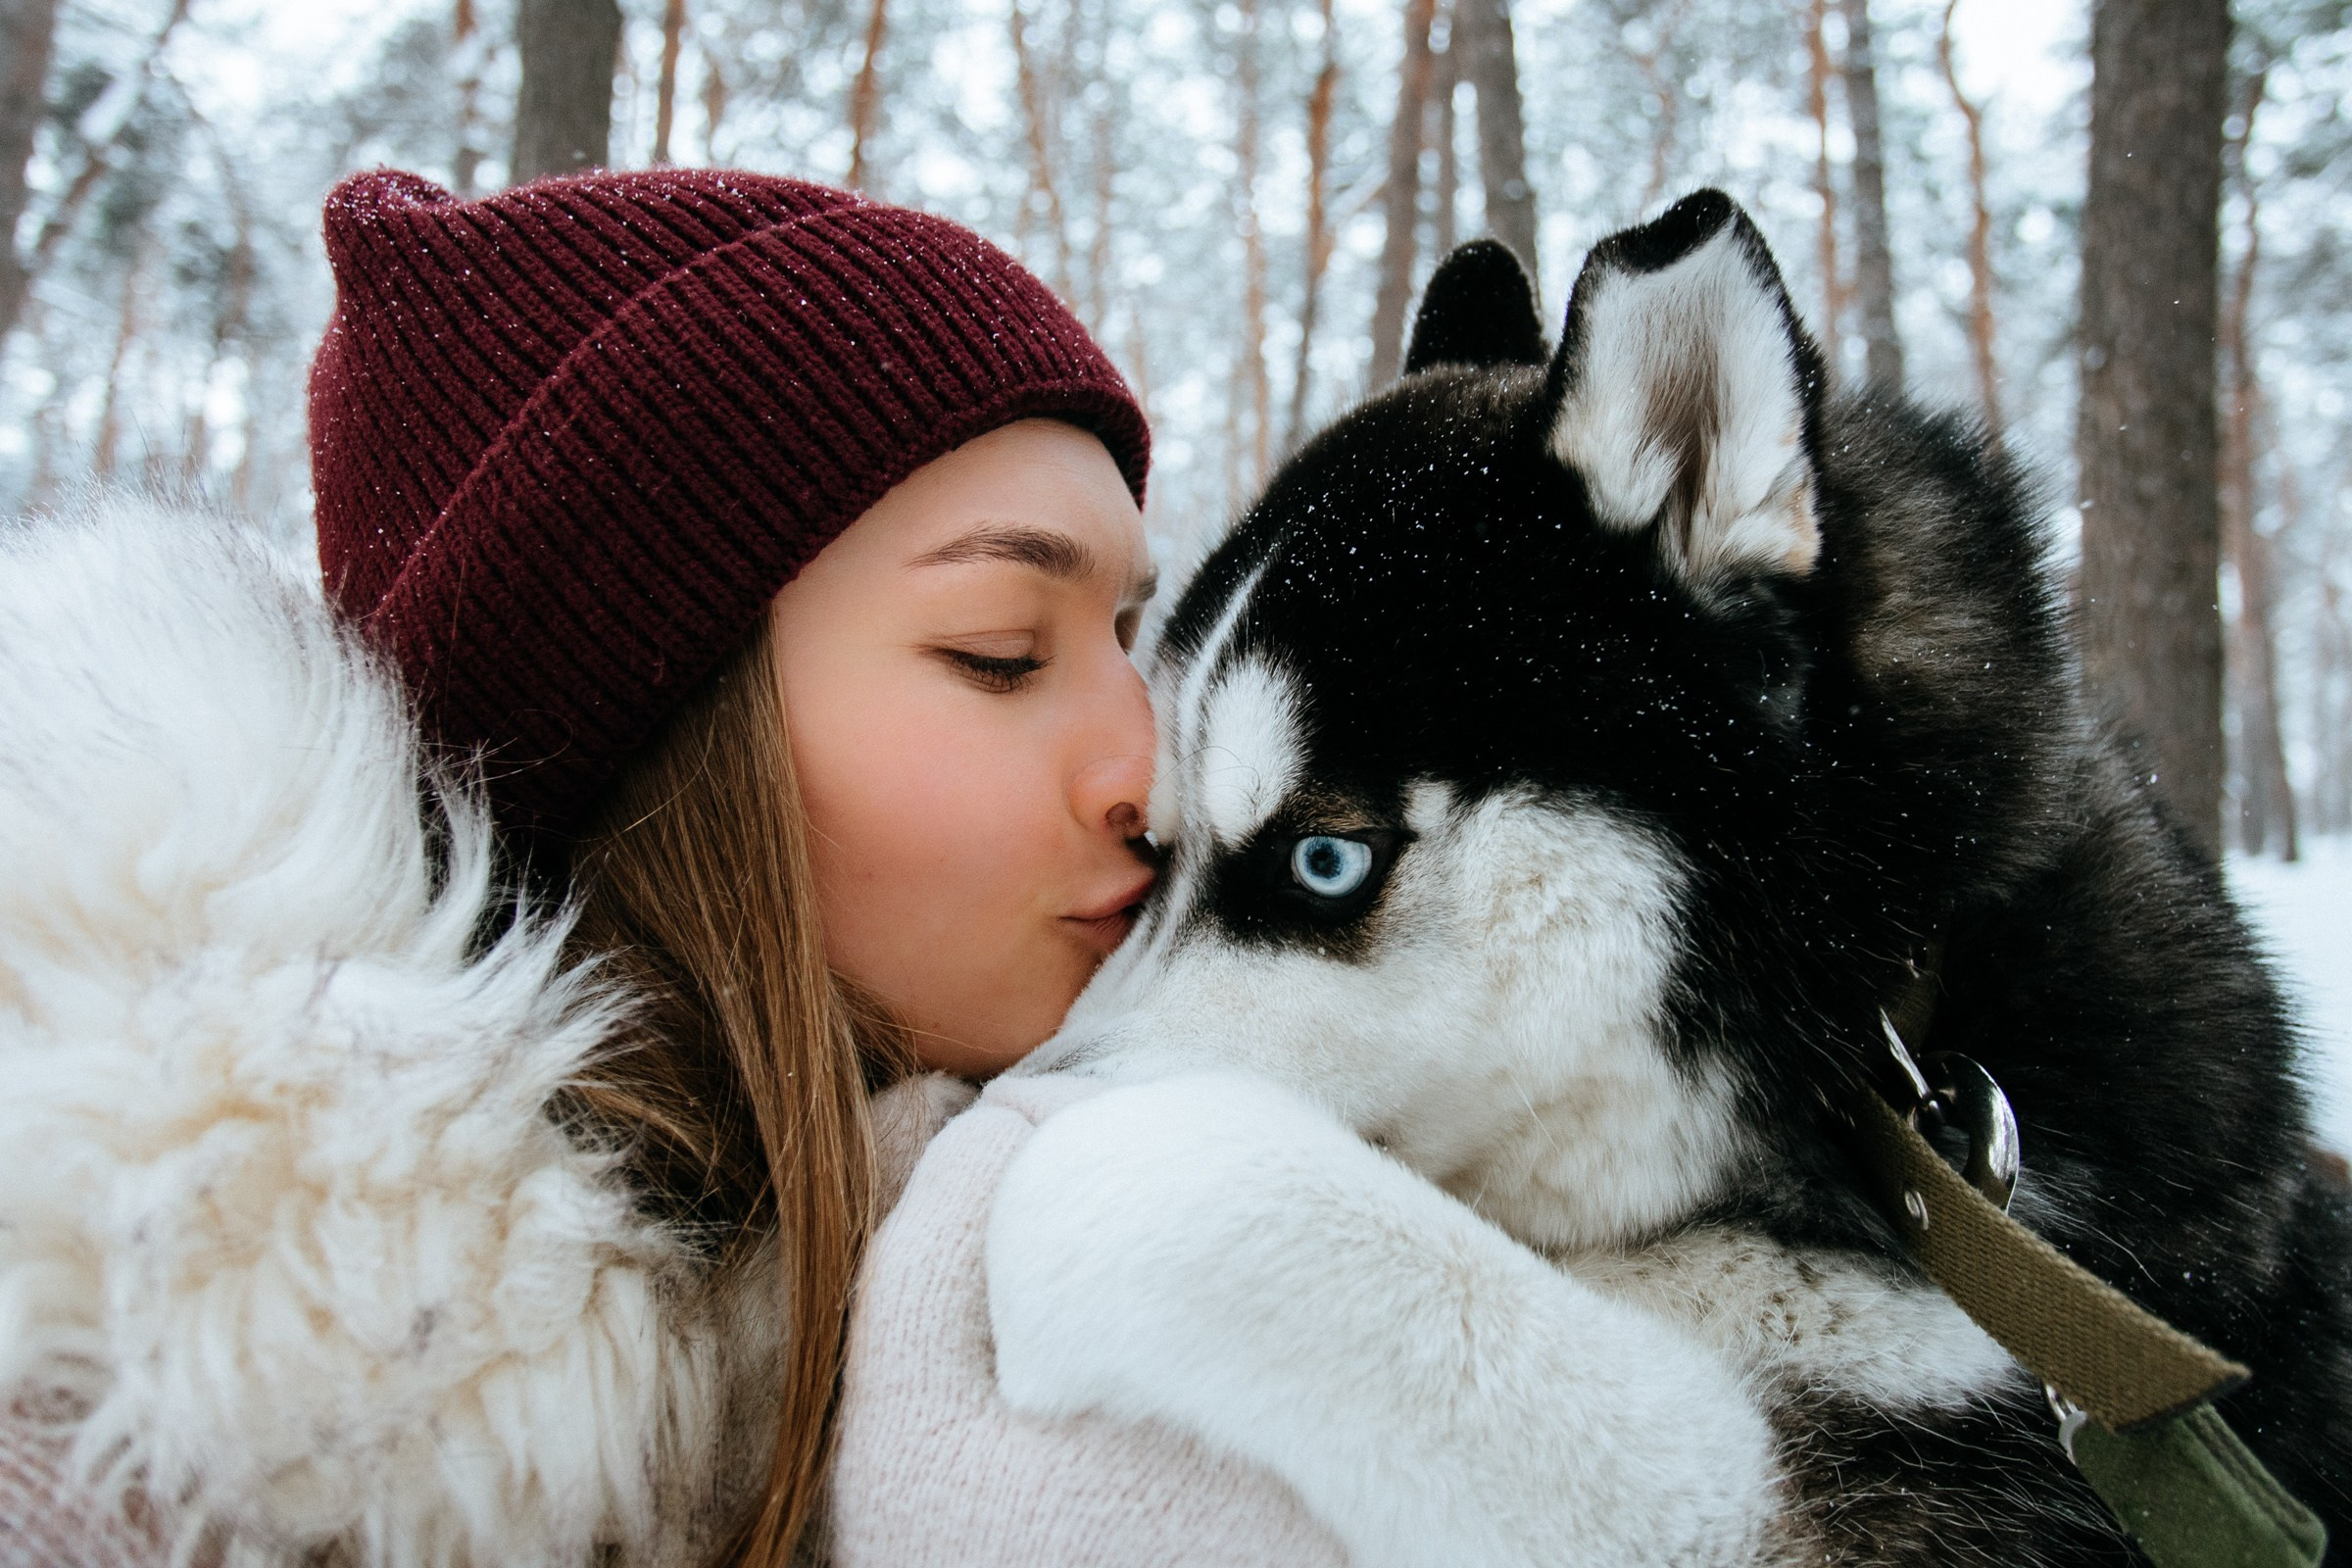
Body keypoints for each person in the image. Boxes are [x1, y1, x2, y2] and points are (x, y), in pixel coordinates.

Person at [0, 166, 1168, 1567]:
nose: (1154, 779)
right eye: (1003, 655)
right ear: (652, 731)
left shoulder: (1130, 1266)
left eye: (1130, 641)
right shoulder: (116, 1453)